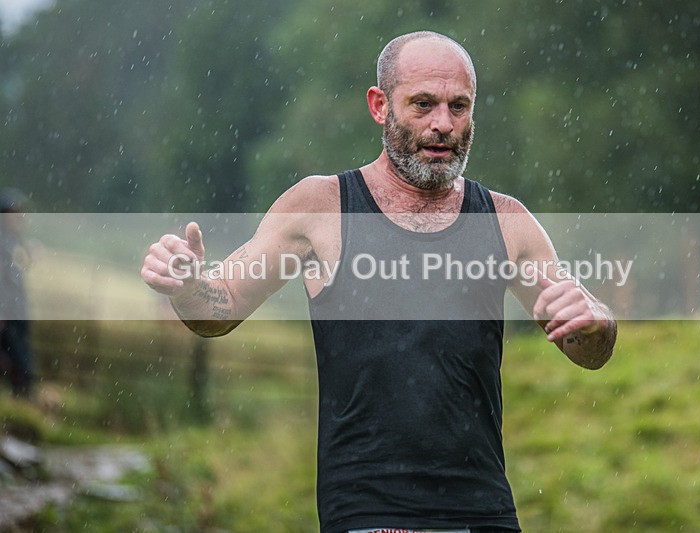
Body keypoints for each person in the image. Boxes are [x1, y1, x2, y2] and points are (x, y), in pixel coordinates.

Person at [142, 31, 617, 533]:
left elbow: (590, 348)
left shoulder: (505, 220)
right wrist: (189, 284)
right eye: (423, 104)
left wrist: (595, 321)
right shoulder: (321, 207)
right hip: (367, 510)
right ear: (379, 105)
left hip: (485, 510)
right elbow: (220, 309)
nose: (443, 124)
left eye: (459, 107)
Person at [0, 188, 34, 399]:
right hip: (7, 317)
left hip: (17, 315)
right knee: (21, 367)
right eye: (14, 213)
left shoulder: (13, 242)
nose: (20, 218)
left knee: (21, 367)